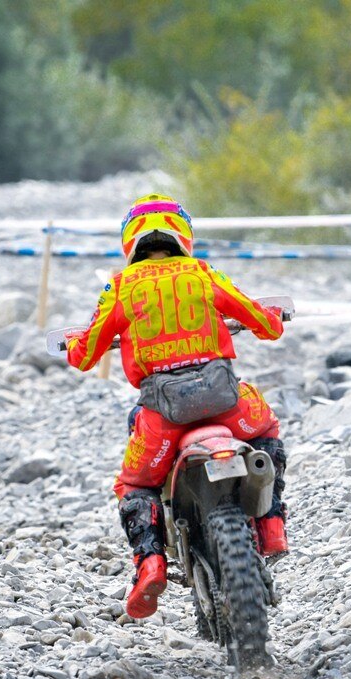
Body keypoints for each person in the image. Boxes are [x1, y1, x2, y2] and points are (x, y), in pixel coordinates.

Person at [66, 193, 289, 620]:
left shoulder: (119, 286)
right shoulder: (203, 273)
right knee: (267, 435)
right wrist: (274, 315)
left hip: (162, 418)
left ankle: (150, 565)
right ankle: (271, 525)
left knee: (133, 487)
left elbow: (83, 355)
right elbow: (264, 323)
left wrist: (75, 342)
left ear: (130, 242)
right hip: (226, 404)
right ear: (184, 234)